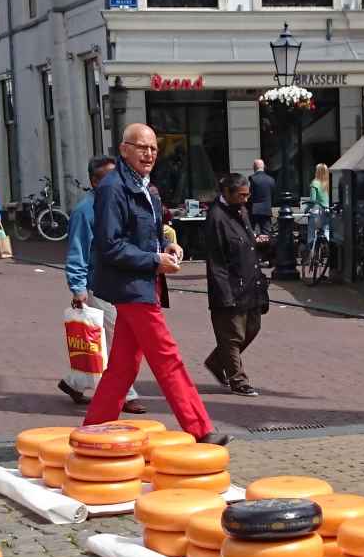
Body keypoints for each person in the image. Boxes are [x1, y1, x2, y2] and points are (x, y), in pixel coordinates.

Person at [84, 123, 226, 445]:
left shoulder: (146, 186)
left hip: (143, 283)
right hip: (132, 286)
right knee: (167, 357)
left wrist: (167, 246)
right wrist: (154, 259)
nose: (148, 154)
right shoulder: (113, 188)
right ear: (124, 150)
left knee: (123, 366)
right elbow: (110, 245)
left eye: (153, 149)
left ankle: (92, 427)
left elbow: (147, 233)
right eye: (141, 147)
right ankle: (200, 428)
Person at [58, 156, 145, 414]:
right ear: (94, 181)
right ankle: (126, 394)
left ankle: (74, 382)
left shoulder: (118, 202)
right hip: (99, 284)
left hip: (122, 282)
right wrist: (78, 288)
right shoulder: (85, 210)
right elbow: (77, 250)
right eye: (109, 177)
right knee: (119, 337)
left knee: (109, 337)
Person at [203, 173, 268, 398]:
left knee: (252, 328)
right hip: (230, 286)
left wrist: (257, 242)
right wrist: (225, 295)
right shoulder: (216, 218)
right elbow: (216, 261)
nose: (245, 199)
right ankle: (238, 380)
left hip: (250, 283)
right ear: (227, 193)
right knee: (232, 336)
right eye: (241, 195)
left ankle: (216, 361)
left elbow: (245, 241)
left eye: (247, 195)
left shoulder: (241, 210)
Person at [247, 158, 275, 237]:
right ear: (264, 167)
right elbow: (273, 195)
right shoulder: (271, 180)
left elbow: (250, 194)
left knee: (250, 233)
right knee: (266, 234)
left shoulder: (252, 178)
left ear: (254, 167)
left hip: (253, 210)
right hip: (266, 210)